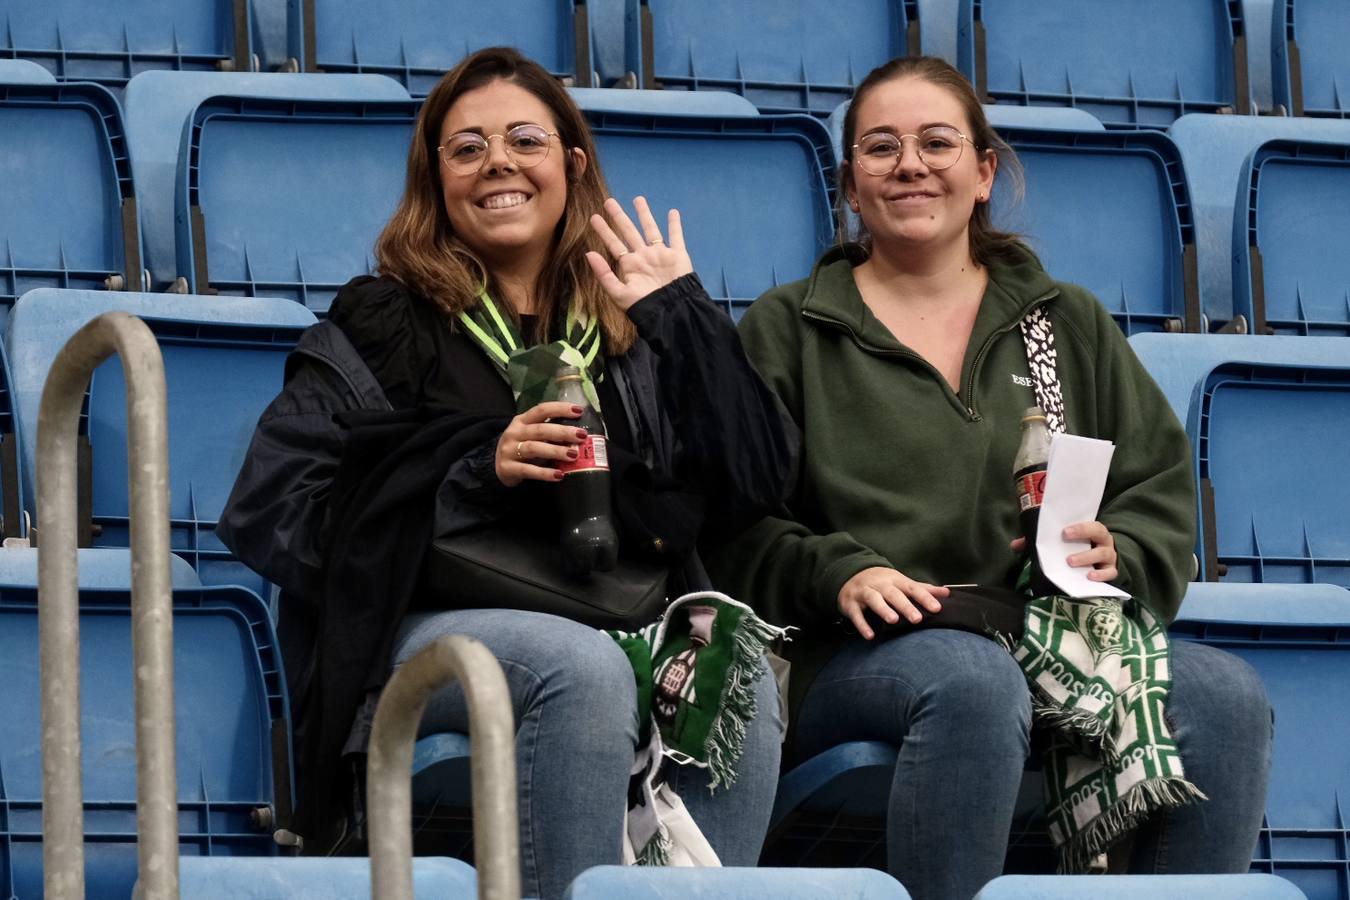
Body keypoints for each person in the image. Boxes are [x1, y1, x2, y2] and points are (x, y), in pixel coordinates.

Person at [218, 47, 796, 899]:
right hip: (421, 641)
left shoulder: (633, 330)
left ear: (571, 163)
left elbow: (758, 484)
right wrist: (476, 470)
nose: (498, 162)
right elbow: (276, 510)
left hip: (624, 614)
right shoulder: (386, 322)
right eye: (466, 147)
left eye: (525, 138)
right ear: (436, 179)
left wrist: (685, 315)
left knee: (733, 670)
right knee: (581, 668)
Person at [708, 56, 1273, 900]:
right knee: (970, 681)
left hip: (1047, 635)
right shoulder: (790, 327)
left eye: (937, 143)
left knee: (1226, 697)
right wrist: (839, 571)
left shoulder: (1063, 322)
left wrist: (1123, 547)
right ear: (850, 188)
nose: (910, 164)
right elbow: (733, 524)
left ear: (982, 173)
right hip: (853, 653)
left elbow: (1157, 490)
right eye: (880, 147)